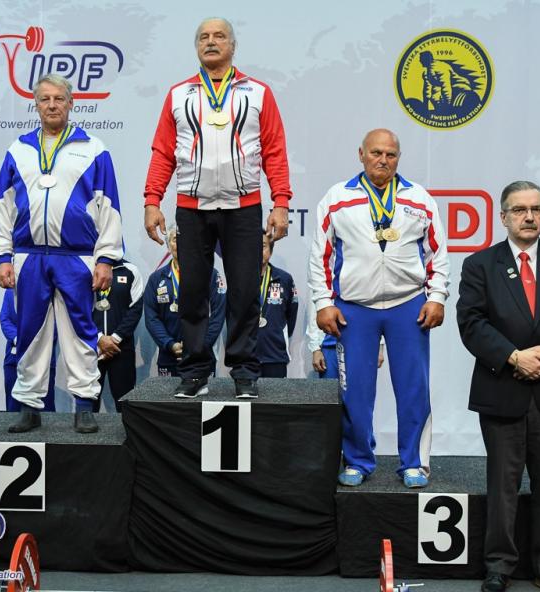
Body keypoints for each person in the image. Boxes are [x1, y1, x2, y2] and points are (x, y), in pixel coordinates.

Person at [143, 17, 292, 399]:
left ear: (233, 45)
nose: (211, 42)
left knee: (244, 291)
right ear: (197, 47)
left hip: (243, 206)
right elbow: (163, 152)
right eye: (204, 37)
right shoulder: (179, 95)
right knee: (193, 291)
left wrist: (281, 202)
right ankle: (195, 371)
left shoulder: (257, 93)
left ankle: (244, 371)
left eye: (219, 36)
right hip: (192, 207)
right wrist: (152, 200)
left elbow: (274, 150)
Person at [457, 181, 540, 592]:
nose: (529, 217)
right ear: (503, 217)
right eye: (519, 210)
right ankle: (498, 565)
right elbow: (471, 322)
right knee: (502, 485)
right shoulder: (480, 264)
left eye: (536, 209)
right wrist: (515, 357)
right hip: (503, 388)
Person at [308, 128, 449, 489]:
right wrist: (324, 303)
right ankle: (357, 460)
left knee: (414, 388)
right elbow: (320, 256)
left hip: (408, 306)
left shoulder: (419, 198)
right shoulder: (337, 198)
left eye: (390, 154)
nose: (383, 160)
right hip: (354, 309)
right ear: (361, 154)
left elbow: (437, 253)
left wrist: (436, 296)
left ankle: (414, 462)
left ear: (398, 157)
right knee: (354, 390)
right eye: (376, 153)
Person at [0, 73, 123, 434]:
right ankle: (29, 406)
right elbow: (3, 205)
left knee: (80, 332)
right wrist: (3, 256)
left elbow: (109, 206)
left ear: (71, 103)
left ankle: (84, 405)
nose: (52, 105)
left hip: (76, 256)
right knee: (29, 332)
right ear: (36, 105)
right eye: (45, 99)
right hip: (28, 255)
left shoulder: (94, 148)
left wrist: (106, 258)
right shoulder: (18, 150)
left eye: (58, 98)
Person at [144, 227, 226, 384]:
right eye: (175, 239)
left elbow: (218, 314)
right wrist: (170, 344)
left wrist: (201, 345)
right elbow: (151, 318)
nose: (180, 244)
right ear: (168, 245)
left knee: (202, 398)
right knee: (167, 399)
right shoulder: (156, 279)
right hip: (169, 356)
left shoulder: (211, 275)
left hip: (202, 356)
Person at [93, 259, 144, 412]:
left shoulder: (131, 270)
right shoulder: (87, 268)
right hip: (91, 347)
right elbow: (79, 308)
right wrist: (99, 338)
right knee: (89, 402)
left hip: (121, 347)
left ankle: (127, 428)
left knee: (124, 402)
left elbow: (135, 309)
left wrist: (114, 339)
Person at [0, 288, 56, 412]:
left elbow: (56, 324)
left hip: (43, 360)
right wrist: (19, 340)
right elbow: (5, 319)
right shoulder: (11, 291)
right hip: (14, 359)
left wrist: (33, 342)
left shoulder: (50, 291)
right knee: (13, 409)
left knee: (45, 409)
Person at [256, 231, 298, 377]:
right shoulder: (240, 280)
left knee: (276, 392)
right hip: (246, 358)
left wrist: (278, 334)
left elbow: (291, 315)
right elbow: (231, 315)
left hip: (275, 356)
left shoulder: (284, 279)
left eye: (262, 246)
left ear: (270, 251)